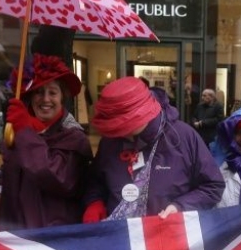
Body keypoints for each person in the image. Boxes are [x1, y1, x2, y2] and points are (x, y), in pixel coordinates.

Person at [82, 76, 224, 222]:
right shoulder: (110, 141)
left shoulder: (184, 137)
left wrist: (180, 206)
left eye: (125, 126)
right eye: (115, 127)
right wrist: (94, 203)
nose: (120, 133)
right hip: (119, 237)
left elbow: (213, 186)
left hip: (167, 236)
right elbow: (96, 181)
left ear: (145, 114)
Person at [0, 53, 93, 229]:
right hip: (15, 232)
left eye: (53, 92)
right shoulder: (20, 133)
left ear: (62, 97)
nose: (46, 99)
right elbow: (8, 170)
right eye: (39, 92)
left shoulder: (74, 138)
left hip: (51, 238)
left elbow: (56, 178)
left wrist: (25, 132)